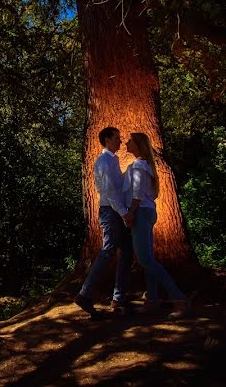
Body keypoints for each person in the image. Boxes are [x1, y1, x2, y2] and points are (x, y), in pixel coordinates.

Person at [121, 132, 188, 319]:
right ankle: (152, 301)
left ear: (138, 145)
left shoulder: (139, 166)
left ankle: (179, 298)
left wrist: (130, 214)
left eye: (130, 141)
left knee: (145, 260)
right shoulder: (144, 166)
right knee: (148, 259)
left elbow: (137, 194)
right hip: (147, 212)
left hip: (141, 212)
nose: (126, 143)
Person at [74, 126, 134, 318]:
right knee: (108, 250)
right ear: (107, 140)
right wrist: (125, 213)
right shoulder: (103, 162)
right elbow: (110, 191)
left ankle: (118, 297)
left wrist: (133, 169)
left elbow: (118, 186)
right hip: (110, 211)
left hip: (116, 210)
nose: (121, 141)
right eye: (117, 137)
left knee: (127, 251)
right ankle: (84, 294)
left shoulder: (113, 161)